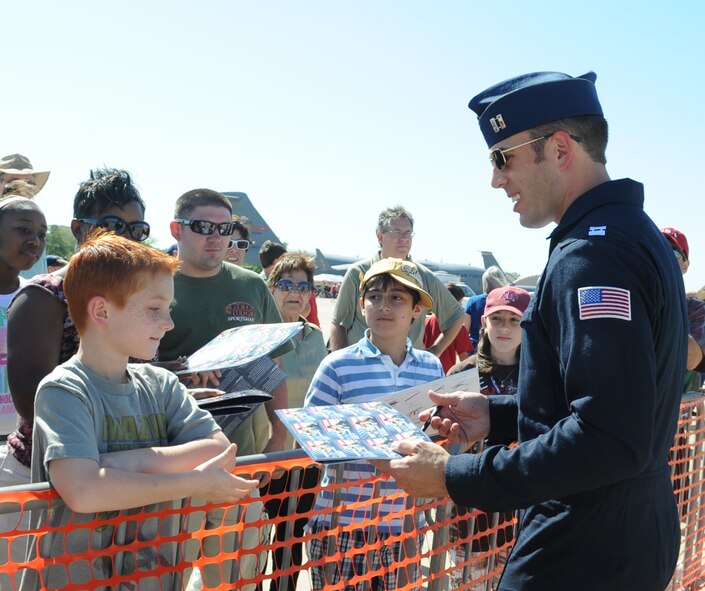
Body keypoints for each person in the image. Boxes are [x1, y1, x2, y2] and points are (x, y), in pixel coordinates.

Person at [373, 71, 688, 590]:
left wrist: (457, 476)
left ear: (560, 149)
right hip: (623, 532)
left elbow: (608, 435)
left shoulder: (595, 253)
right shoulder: (631, 234)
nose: (496, 179)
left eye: (503, 157)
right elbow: (614, 403)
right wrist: (497, 415)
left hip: (582, 546)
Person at [26, 232, 258, 588]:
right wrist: (195, 481)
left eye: (167, 310)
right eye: (154, 310)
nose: (168, 323)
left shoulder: (161, 385)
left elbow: (217, 449)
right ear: (101, 311)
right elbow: (84, 491)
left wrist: (127, 463)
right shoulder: (64, 390)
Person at [4, 168, 151, 488]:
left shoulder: (142, 301)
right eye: (113, 225)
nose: (125, 237)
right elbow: (33, 399)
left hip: (122, 471)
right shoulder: (46, 296)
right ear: (78, 228)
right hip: (43, 477)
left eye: (137, 229)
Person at [305, 258, 444, 591]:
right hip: (341, 523)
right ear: (361, 305)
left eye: (397, 298)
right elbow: (308, 436)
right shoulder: (336, 365)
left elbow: (437, 436)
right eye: (375, 297)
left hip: (404, 523)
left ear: (415, 311)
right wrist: (364, 441)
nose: (384, 306)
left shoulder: (431, 368)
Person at [159, 189, 291, 458]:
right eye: (204, 227)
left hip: (236, 453)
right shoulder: (150, 284)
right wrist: (173, 374)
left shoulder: (251, 286)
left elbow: (274, 368)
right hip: (164, 454)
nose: (216, 237)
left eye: (225, 228)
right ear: (176, 230)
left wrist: (278, 436)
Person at [445, 285, 530, 588]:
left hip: (521, 503)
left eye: (514, 320)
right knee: (469, 582)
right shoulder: (463, 373)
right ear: (484, 323)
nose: (504, 328)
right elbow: (444, 436)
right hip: (470, 502)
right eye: (497, 319)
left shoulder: (539, 375)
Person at [262, 252, 328, 591]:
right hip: (265, 454)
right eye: (286, 284)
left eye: (304, 287)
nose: (296, 293)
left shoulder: (316, 336)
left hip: (305, 455)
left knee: (292, 534)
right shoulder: (258, 334)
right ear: (271, 288)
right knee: (257, 537)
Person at [329, 206, 465, 355]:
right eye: (397, 232)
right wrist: (340, 365)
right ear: (380, 237)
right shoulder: (358, 273)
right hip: (363, 368)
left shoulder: (424, 277)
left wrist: (436, 350)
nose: (404, 239)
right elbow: (338, 323)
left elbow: (456, 316)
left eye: (408, 233)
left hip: (407, 372)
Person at [0, 194, 47, 446]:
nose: (34, 241)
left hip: (22, 443)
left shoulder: (38, 297)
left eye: (42, 234)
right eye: (24, 229)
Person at [661, 227, 705, 390]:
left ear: (685, 265)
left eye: (673, 254)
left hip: (676, 411)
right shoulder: (636, 299)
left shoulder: (696, 309)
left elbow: (690, 358)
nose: (664, 259)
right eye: (658, 251)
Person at [424, 283, 472, 373]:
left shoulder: (426, 321)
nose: (461, 306)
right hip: (445, 375)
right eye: (460, 303)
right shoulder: (457, 326)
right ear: (454, 304)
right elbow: (464, 359)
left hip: (425, 372)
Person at [464, 266, 508, 348]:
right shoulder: (506, 302)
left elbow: (464, 331)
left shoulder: (473, 301)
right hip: (498, 347)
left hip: (475, 347)